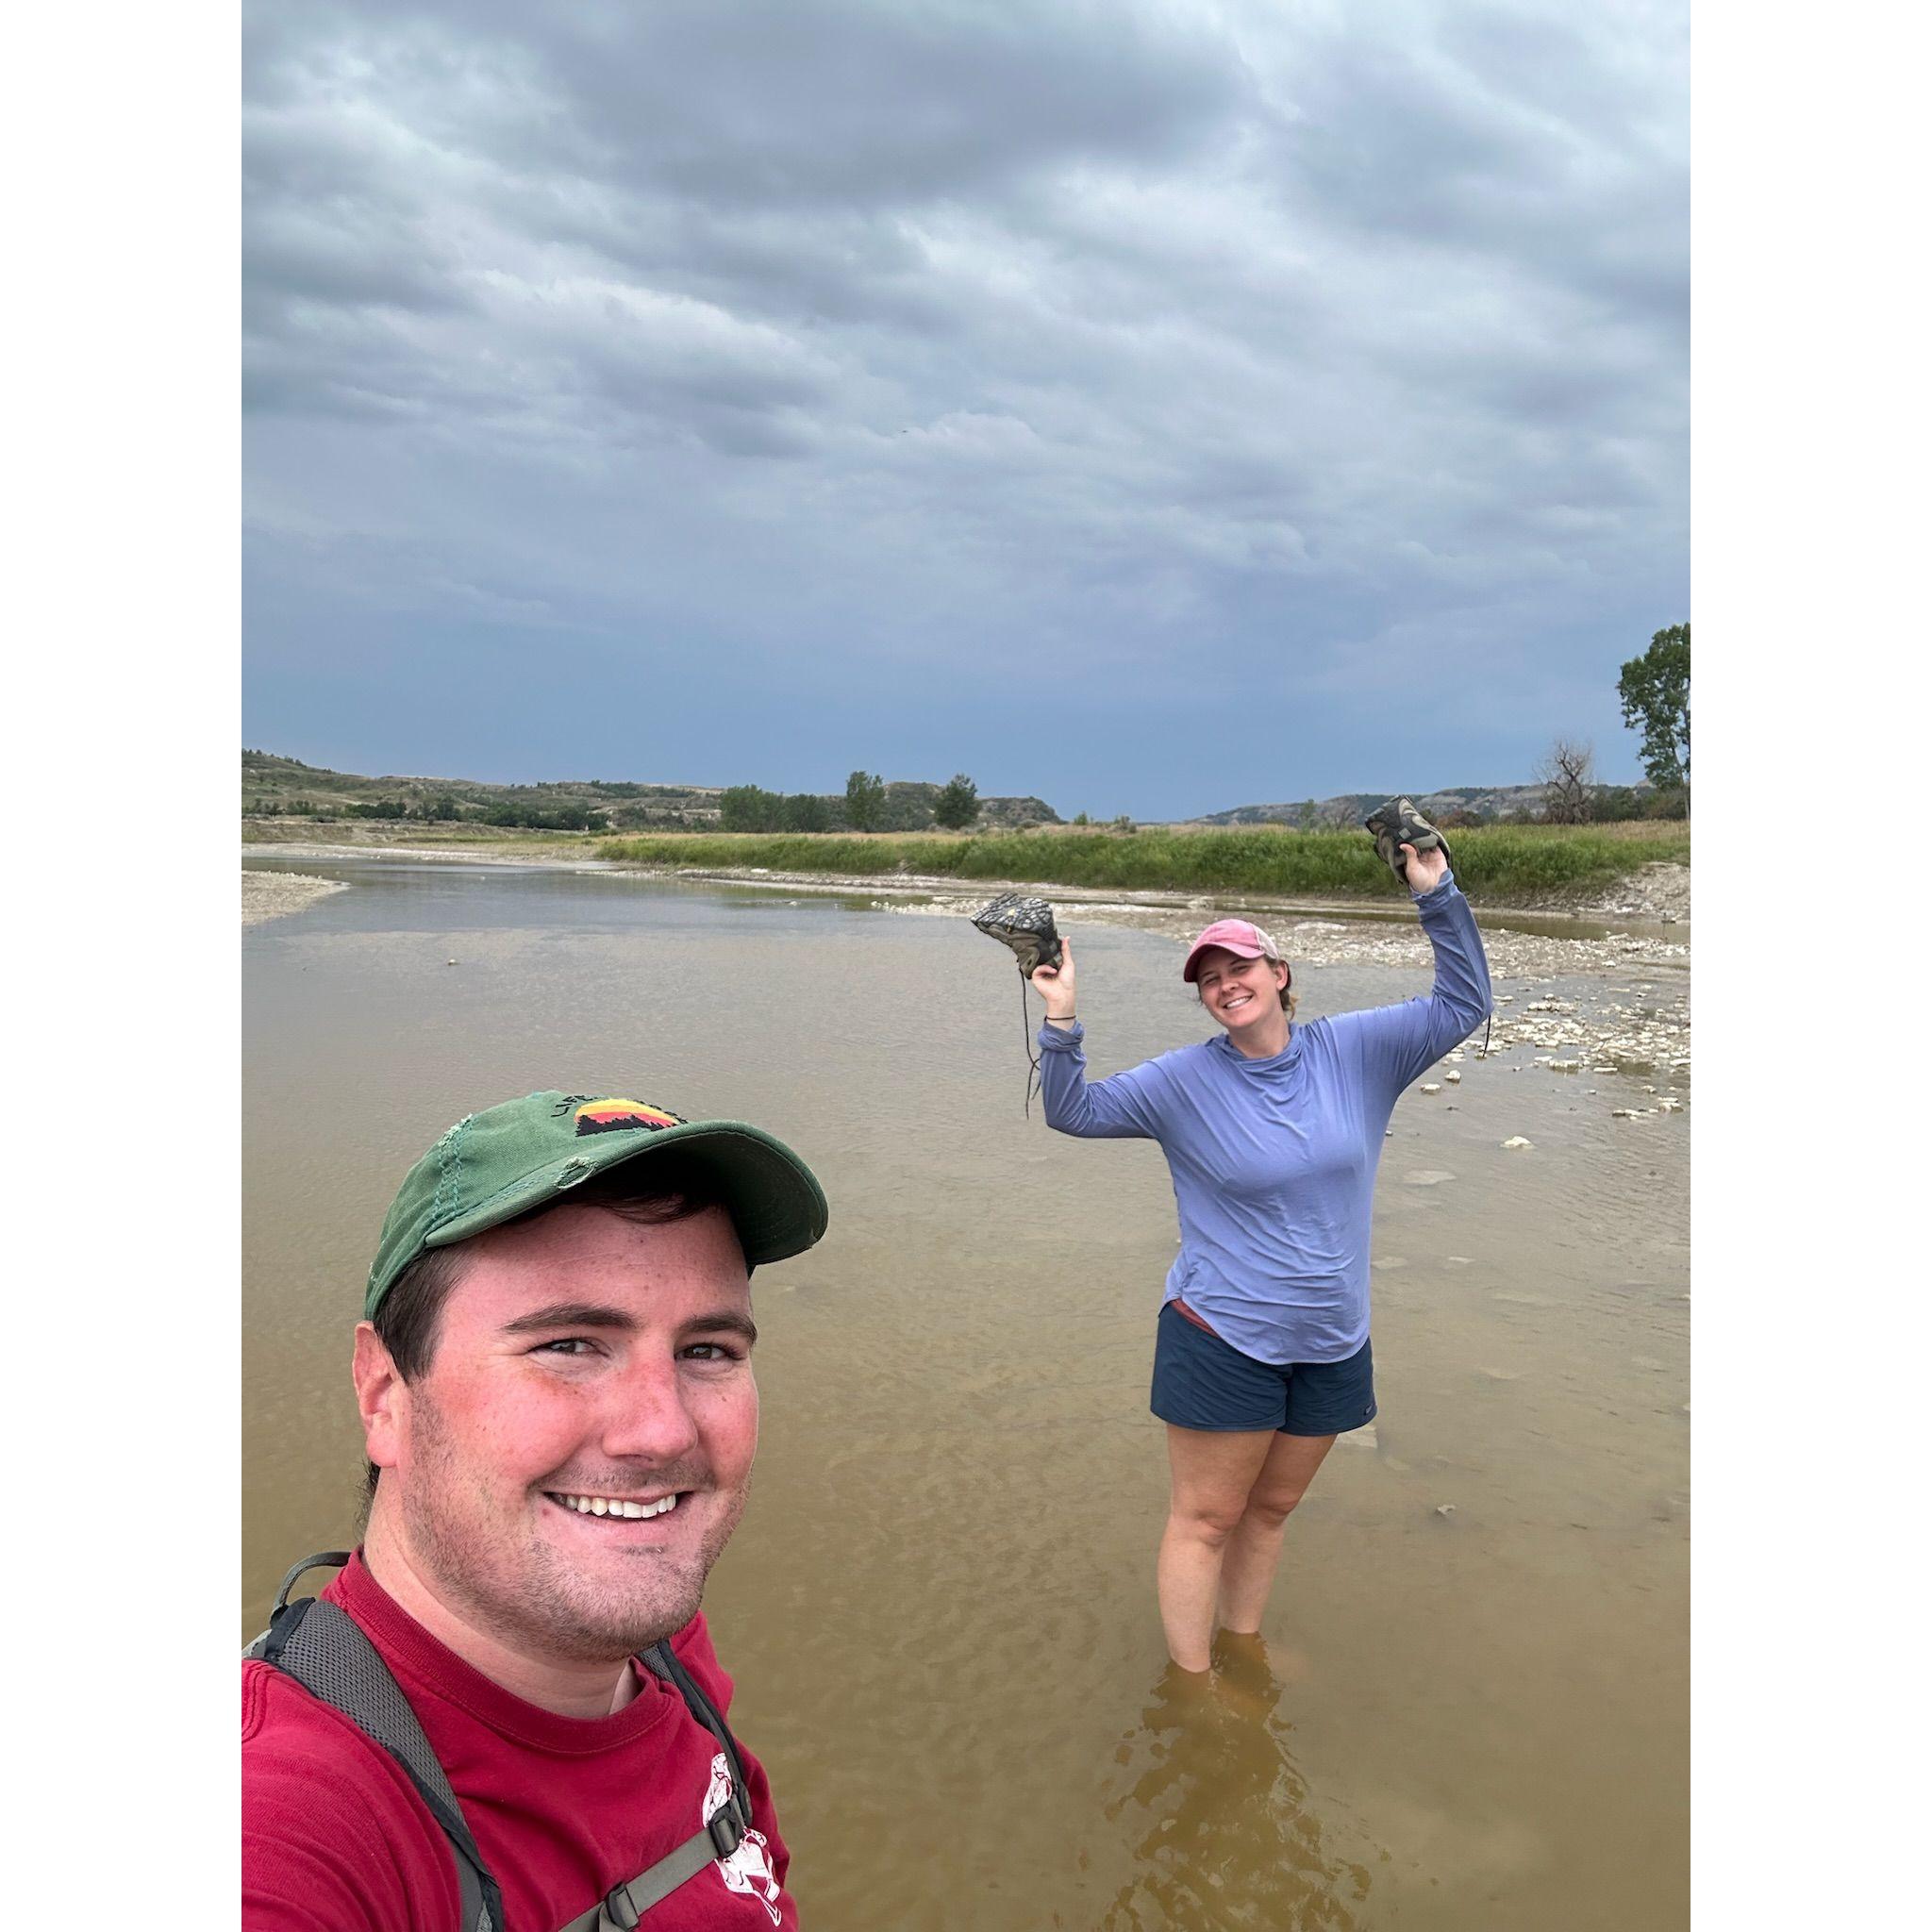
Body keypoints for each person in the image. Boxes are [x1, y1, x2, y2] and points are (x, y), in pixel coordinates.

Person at [243, 1091, 829, 1930]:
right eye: (568, 1345)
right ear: (383, 1394)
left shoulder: (665, 1655)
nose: (660, 1431)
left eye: (707, 1350)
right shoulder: (288, 1823)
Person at [1030, 844, 1490, 1675]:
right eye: (1207, 978)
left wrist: (1436, 893)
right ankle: (1193, 1688)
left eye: (1237, 965)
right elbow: (1074, 1111)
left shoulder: (1358, 1050)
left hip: (1333, 1339)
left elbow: (1464, 1002)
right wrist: (1062, 1016)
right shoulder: (1182, 1083)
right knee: (1205, 1520)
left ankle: (1242, 1649)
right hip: (1222, 1333)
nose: (1223, 983)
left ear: (1278, 972)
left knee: (1270, 1512)